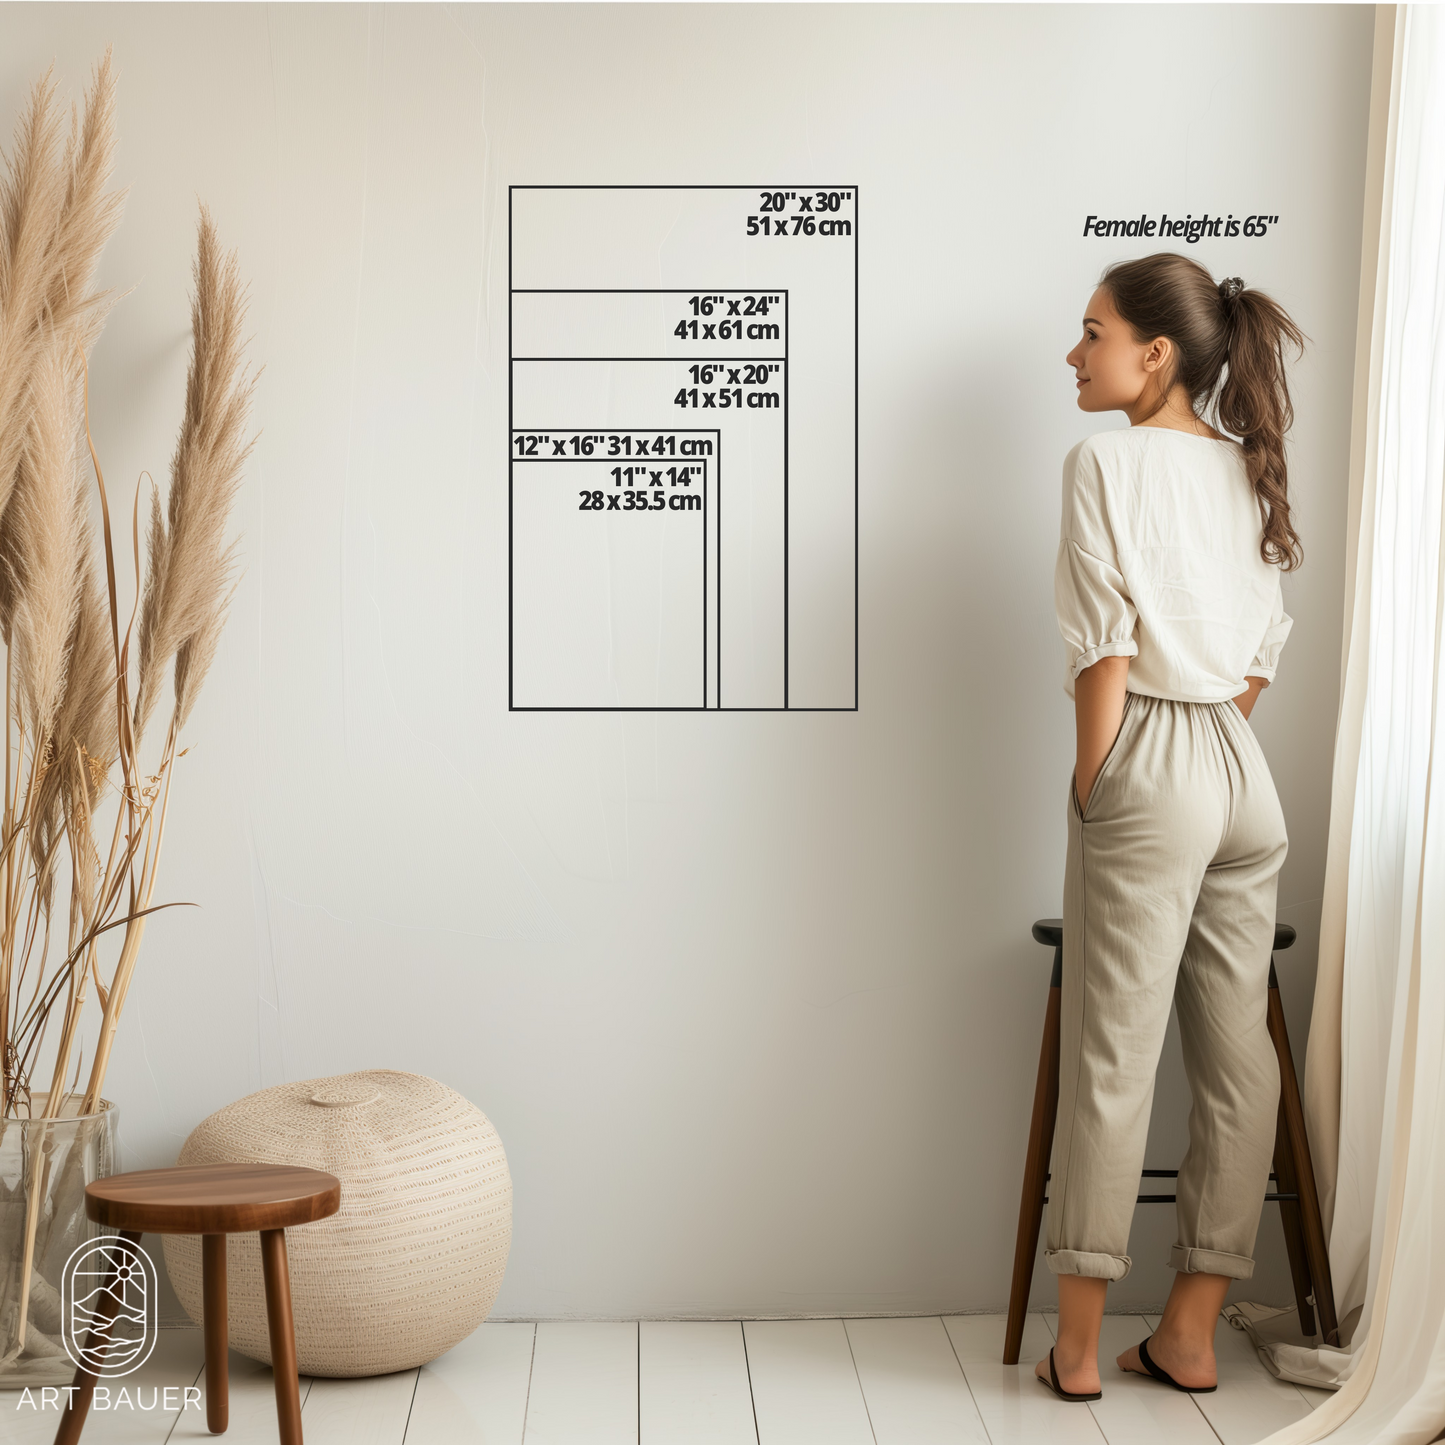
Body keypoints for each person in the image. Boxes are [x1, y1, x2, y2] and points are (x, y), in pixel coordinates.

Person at [1036, 253, 1306, 1402]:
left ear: (1153, 354)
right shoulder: (1250, 467)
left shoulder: (1100, 459)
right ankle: (1188, 1331)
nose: (1072, 351)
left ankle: (1082, 1349)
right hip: (1241, 770)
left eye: (1089, 331)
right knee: (1234, 1055)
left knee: (1114, 1050)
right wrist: (1208, 744)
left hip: (1146, 754)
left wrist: (1097, 773)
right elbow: (1256, 652)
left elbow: (1103, 641)